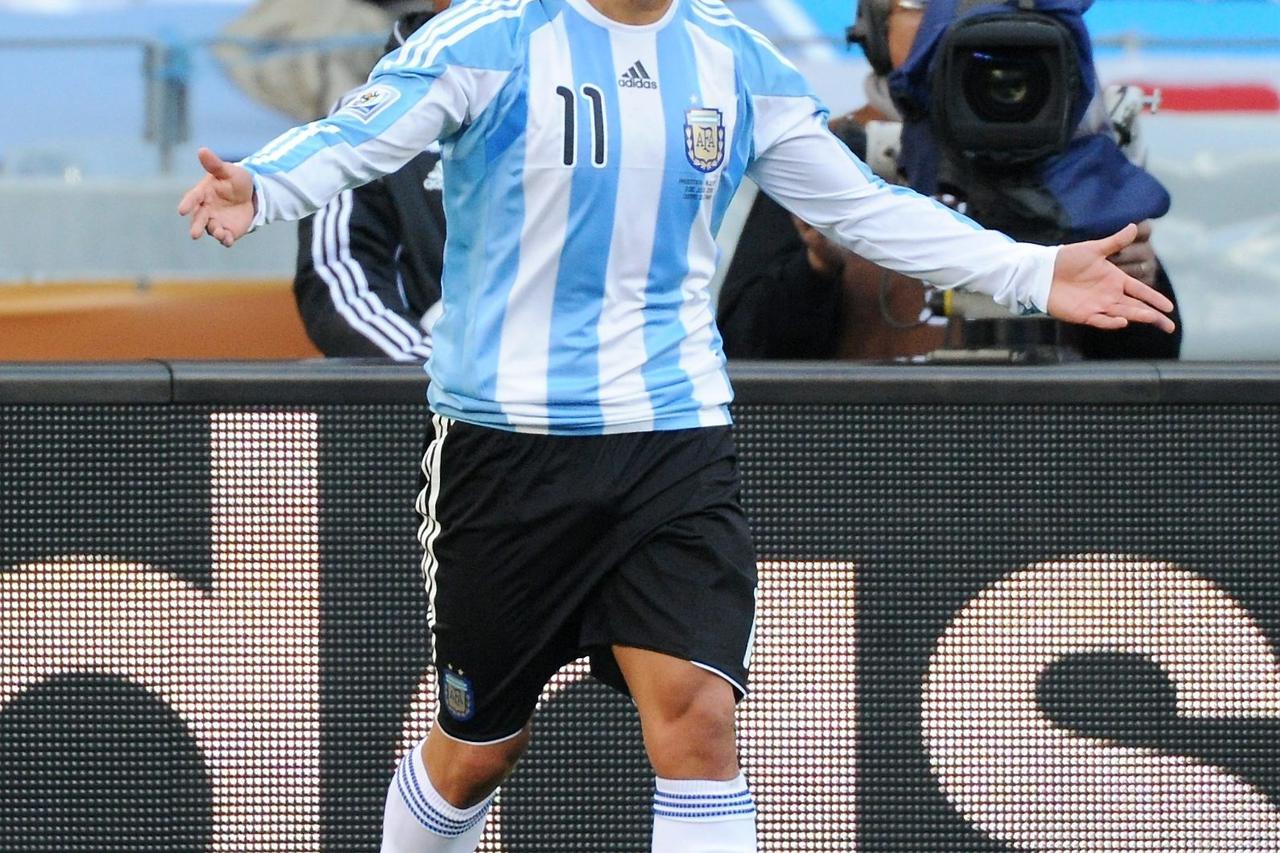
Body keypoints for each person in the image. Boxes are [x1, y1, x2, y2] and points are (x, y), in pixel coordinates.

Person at [177, 0, 1175, 849]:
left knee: (697, 724)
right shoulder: (484, 40)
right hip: (506, 451)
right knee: (476, 752)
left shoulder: (733, 60)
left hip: (673, 443)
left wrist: (1034, 270)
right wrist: (259, 185)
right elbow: (359, 137)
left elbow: (866, 208)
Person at [294, 9, 445, 360]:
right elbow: (341, 280)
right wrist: (438, 378)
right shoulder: (360, 126)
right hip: (430, 401)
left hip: (581, 395)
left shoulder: (581, 103)